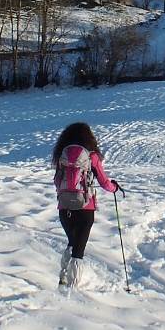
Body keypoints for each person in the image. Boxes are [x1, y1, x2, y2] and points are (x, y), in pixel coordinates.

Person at [53, 122, 120, 287]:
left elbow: (57, 181)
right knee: (79, 250)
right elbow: (104, 182)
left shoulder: (63, 156)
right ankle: (73, 285)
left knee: (72, 241)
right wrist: (114, 188)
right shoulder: (91, 156)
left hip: (64, 207)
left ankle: (63, 276)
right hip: (85, 208)